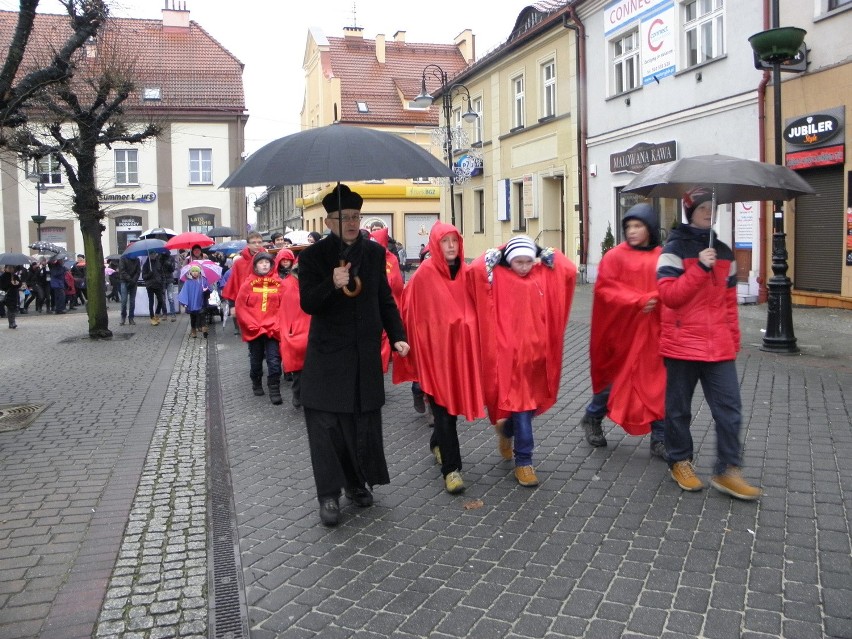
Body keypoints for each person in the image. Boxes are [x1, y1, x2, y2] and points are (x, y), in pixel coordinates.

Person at [298, 184, 409, 527]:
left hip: (363, 355)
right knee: (327, 426)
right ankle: (328, 494)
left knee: (360, 425)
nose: (350, 222)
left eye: (355, 216)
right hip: (328, 357)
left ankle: (356, 483)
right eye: (343, 217)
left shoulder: (375, 255)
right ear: (329, 222)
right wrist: (331, 283)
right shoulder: (313, 258)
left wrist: (398, 336)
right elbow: (308, 304)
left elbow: (384, 299)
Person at [657, 187, 761, 500]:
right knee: (678, 411)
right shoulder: (674, 248)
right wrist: (700, 267)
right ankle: (680, 461)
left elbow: (730, 303)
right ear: (691, 211)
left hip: (718, 346)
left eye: (710, 207)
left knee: (730, 410)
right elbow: (670, 296)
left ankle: (728, 470)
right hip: (681, 343)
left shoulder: (725, 252)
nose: (708, 212)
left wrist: (733, 339)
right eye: (702, 207)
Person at [468, 235, 577, 487]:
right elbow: (475, 271)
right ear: (509, 260)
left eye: (529, 260)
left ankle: (506, 432)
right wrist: (499, 249)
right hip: (510, 361)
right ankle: (524, 462)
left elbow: (569, 271)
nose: (525, 266)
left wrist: (543, 250)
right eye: (519, 261)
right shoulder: (500, 278)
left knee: (528, 411)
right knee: (522, 410)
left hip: (536, 360)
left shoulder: (542, 275)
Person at [394, 222, 484, 494]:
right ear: (435, 244)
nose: (451, 246)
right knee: (443, 412)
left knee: (452, 411)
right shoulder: (424, 276)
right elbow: (411, 313)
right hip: (435, 359)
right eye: (445, 241)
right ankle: (452, 470)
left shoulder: (467, 274)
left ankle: (437, 444)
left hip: (461, 357)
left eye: (454, 240)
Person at [580, 203, 667, 459]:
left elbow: (672, 287)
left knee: (659, 387)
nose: (631, 230)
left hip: (653, 334)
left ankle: (660, 439)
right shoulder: (614, 256)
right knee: (614, 385)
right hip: (622, 334)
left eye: (637, 225)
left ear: (650, 228)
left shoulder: (663, 256)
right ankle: (593, 417)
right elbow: (605, 290)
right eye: (628, 226)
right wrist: (636, 300)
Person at [235, 252, 283, 403]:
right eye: (261, 262)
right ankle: (256, 381)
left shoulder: (279, 283)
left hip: (273, 328)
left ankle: (274, 389)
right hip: (254, 328)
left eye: (267, 262)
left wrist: (278, 324)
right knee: (256, 360)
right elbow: (241, 307)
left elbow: (285, 306)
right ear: (255, 265)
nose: (264, 265)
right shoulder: (247, 284)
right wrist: (250, 324)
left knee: (274, 360)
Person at [275, 249, 309, 408]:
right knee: (299, 368)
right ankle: (298, 394)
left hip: (314, 330)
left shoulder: (315, 282)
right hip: (295, 331)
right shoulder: (287, 284)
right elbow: (280, 309)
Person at [222, 231, 266, 335]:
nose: (257, 245)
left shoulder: (267, 260)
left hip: (265, 302)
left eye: (259, 242)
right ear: (248, 244)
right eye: (254, 242)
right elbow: (234, 284)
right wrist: (233, 306)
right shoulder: (239, 263)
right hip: (246, 304)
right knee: (251, 335)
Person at [178, 265, 209, 338]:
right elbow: (184, 292)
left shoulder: (203, 280)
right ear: (191, 273)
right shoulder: (188, 282)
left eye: (196, 271)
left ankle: (204, 329)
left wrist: (206, 290)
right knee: (193, 317)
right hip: (191, 303)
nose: (195, 273)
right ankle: (193, 330)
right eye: (193, 271)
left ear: (199, 272)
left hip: (201, 301)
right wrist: (185, 302)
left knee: (202, 315)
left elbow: (208, 288)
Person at [142, 253, 167, 326]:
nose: (153, 255)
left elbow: (162, 274)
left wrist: (163, 283)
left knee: (161, 300)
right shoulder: (146, 264)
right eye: (151, 254)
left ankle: (156, 314)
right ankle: (152, 317)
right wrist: (149, 274)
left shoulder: (158, 263)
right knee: (151, 302)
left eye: (154, 254)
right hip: (150, 285)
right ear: (149, 255)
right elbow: (144, 276)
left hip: (158, 285)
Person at [118, 253, 140, 325]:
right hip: (124, 281)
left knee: (132, 301)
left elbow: (138, 271)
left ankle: (131, 317)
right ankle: (123, 317)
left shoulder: (137, 260)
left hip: (133, 282)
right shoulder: (123, 258)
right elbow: (122, 271)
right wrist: (130, 280)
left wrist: (134, 280)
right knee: (124, 300)